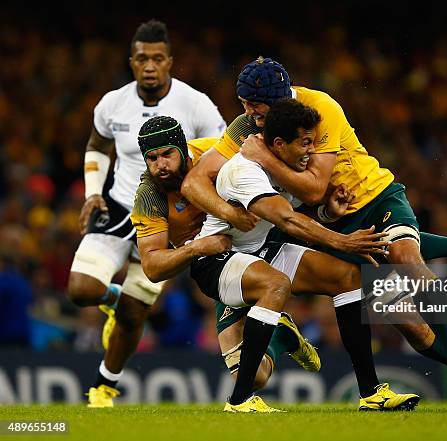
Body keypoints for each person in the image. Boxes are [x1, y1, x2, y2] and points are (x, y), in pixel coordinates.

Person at [181, 57, 447, 410]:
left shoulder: (319, 109)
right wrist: (229, 213)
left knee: (404, 259)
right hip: (324, 222)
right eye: (243, 104)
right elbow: (196, 180)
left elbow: (315, 187)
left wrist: (266, 158)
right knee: (412, 327)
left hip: (371, 199)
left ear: (278, 101)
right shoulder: (250, 128)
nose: (246, 112)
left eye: (253, 105)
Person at [189, 103, 419, 412]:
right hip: (217, 259)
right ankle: (239, 401)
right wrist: (343, 241)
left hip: (261, 251)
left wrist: (327, 212)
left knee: (346, 277)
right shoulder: (244, 170)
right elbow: (287, 220)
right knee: (276, 285)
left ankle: (371, 393)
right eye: (305, 142)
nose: (311, 150)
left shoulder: (290, 167)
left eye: (312, 141)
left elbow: (299, 211)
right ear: (280, 145)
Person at [87, 117, 320, 408]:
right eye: (152, 158)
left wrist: (318, 205)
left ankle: (371, 387)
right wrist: (198, 246)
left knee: (339, 277)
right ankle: (281, 336)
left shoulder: (215, 154)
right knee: (255, 375)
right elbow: (152, 267)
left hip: (257, 242)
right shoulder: (149, 195)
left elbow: (276, 164)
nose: (161, 165)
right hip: (215, 263)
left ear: (183, 150)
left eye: (167, 154)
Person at [69, 20, 227, 407]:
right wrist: (93, 193)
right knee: (81, 290)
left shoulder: (195, 104)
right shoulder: (112, 103)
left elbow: (222, 153)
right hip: (121, 206)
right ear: (132, 62)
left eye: (158, 58)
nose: (150, 65)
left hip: (166, 221)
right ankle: (112, 296)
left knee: (133, 314)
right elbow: (96, 145)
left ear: (170, 61)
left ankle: (104, 386)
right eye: (142, 58)